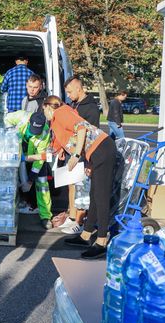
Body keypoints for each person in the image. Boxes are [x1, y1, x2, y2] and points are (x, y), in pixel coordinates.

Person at [43, 95, 116, 260]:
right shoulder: (55, 122)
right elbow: (54, 148)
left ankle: (102, 241)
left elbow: (81, 128)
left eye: (44, 111)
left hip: (103, 149)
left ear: (48, 107)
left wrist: (76, 156)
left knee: (101, 197)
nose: (45, 115)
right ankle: (85, 235)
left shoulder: (61, 112)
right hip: (95, 153)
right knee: (94, 195)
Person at [58, 76, 101, 234]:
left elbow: (91, 135)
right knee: (71, 184)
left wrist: (87, 159)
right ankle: (71, 217)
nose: (68, 95)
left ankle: (80, 222)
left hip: (82, 153)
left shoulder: (90, 108)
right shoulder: (73, 104)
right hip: (71, 150)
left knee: (82, 188)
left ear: (78, 88)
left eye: (69, 91)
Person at [5, 110, 52, 229]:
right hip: (17, 150)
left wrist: (30, 180)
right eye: (32, 130)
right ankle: (12, 208)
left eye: (37, 131)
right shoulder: (21, 116)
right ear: (29, 121)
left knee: (42, 183)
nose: (34, 133)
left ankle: (45, 216)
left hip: (32, 156)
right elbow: (7, 118)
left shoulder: (45, 132)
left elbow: (40, 159)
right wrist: (12, 136)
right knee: (11, 179)